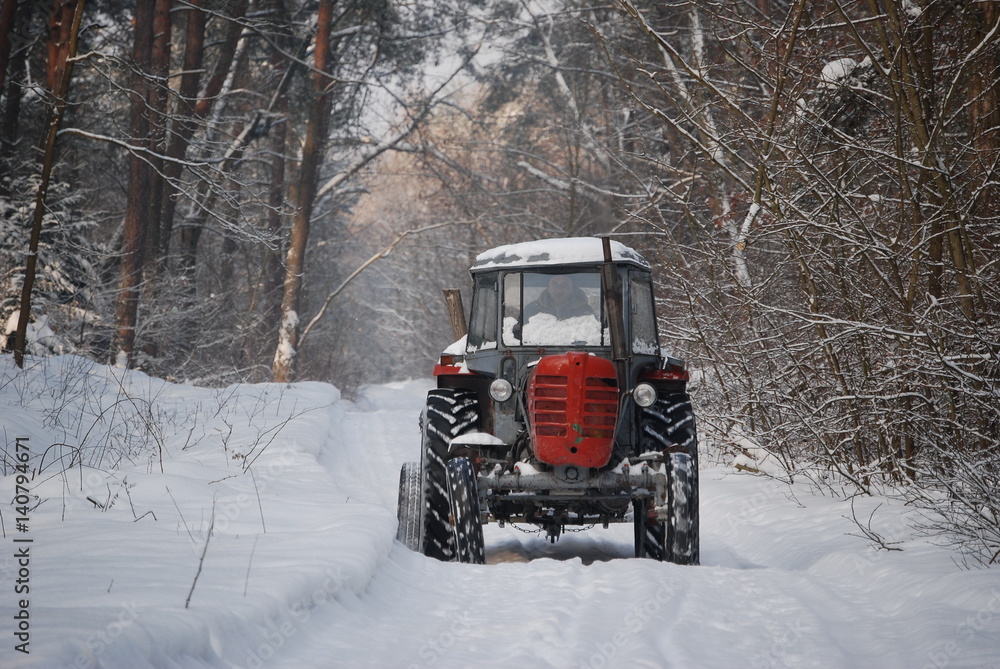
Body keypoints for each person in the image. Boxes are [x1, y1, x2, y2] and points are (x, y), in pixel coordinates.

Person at [524, 275, 595, 323]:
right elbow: (517, 336)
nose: (559, 289)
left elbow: (595, 337)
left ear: (572, 290)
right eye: (554, 283)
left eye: (565, 284)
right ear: (548, 288)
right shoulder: (531, 310)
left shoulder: (585, 311)